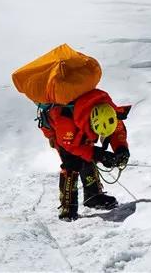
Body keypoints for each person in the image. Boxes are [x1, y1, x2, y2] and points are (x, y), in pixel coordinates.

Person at [39, 88, 131, 221]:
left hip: (79, 123)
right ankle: (67, 207)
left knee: (87, 155)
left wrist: (121, 149)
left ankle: (93, 196)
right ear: (91, 122)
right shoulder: (66, 122)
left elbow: (117, 128)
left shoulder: (108, 111)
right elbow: (71, 146)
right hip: (59, 132)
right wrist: (99, 154)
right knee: (73, 163)